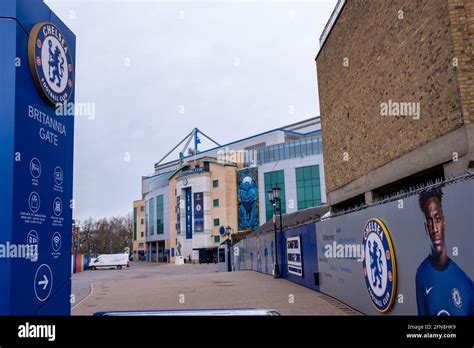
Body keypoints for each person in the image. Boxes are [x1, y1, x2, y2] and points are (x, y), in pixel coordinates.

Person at [415, 188, 472, 315]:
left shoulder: (465, 282)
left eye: (437, 219)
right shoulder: (422, 274)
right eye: (430, 222)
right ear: (426, 228)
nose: (435, 229)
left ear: (444, 222)